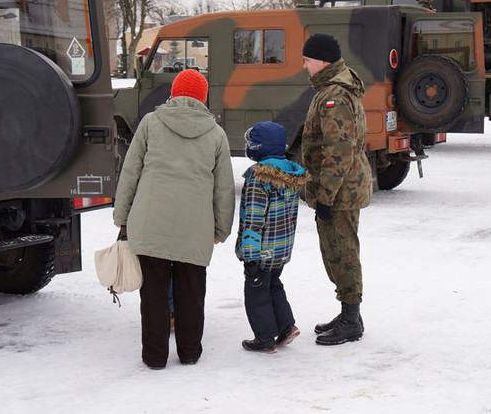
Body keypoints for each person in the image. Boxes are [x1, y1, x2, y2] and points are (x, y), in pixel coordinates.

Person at [113, 69, 235, 369]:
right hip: (196, 227)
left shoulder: (150, 124)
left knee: (153, 293)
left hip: (150, 221)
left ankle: (154, 357)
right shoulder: (216, 134)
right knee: (191, 291)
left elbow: (131, 172)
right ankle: (190, 352)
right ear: (202, 98)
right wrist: (221, 227)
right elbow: (223, 187)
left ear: (174, 93)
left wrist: (122, 214)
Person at [301, 33, 373, 346]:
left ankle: (351, 318)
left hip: (340, 191)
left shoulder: (336, 95)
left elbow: (338, 149)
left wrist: (326, 195)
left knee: (343, 252)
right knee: (334, 250)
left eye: (307, 59)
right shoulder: (330, 90)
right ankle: (347, 311)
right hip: (337, 188)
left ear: (322, 60)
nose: (303, 65)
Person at [236, 121, 309, 353]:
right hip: (281, 249)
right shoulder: (289, 174)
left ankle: (264, 338)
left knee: (256, 292)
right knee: (273, 285)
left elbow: (254, 220)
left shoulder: (259, 178)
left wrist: (250, 256)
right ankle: (287, 326)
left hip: (261, 250)